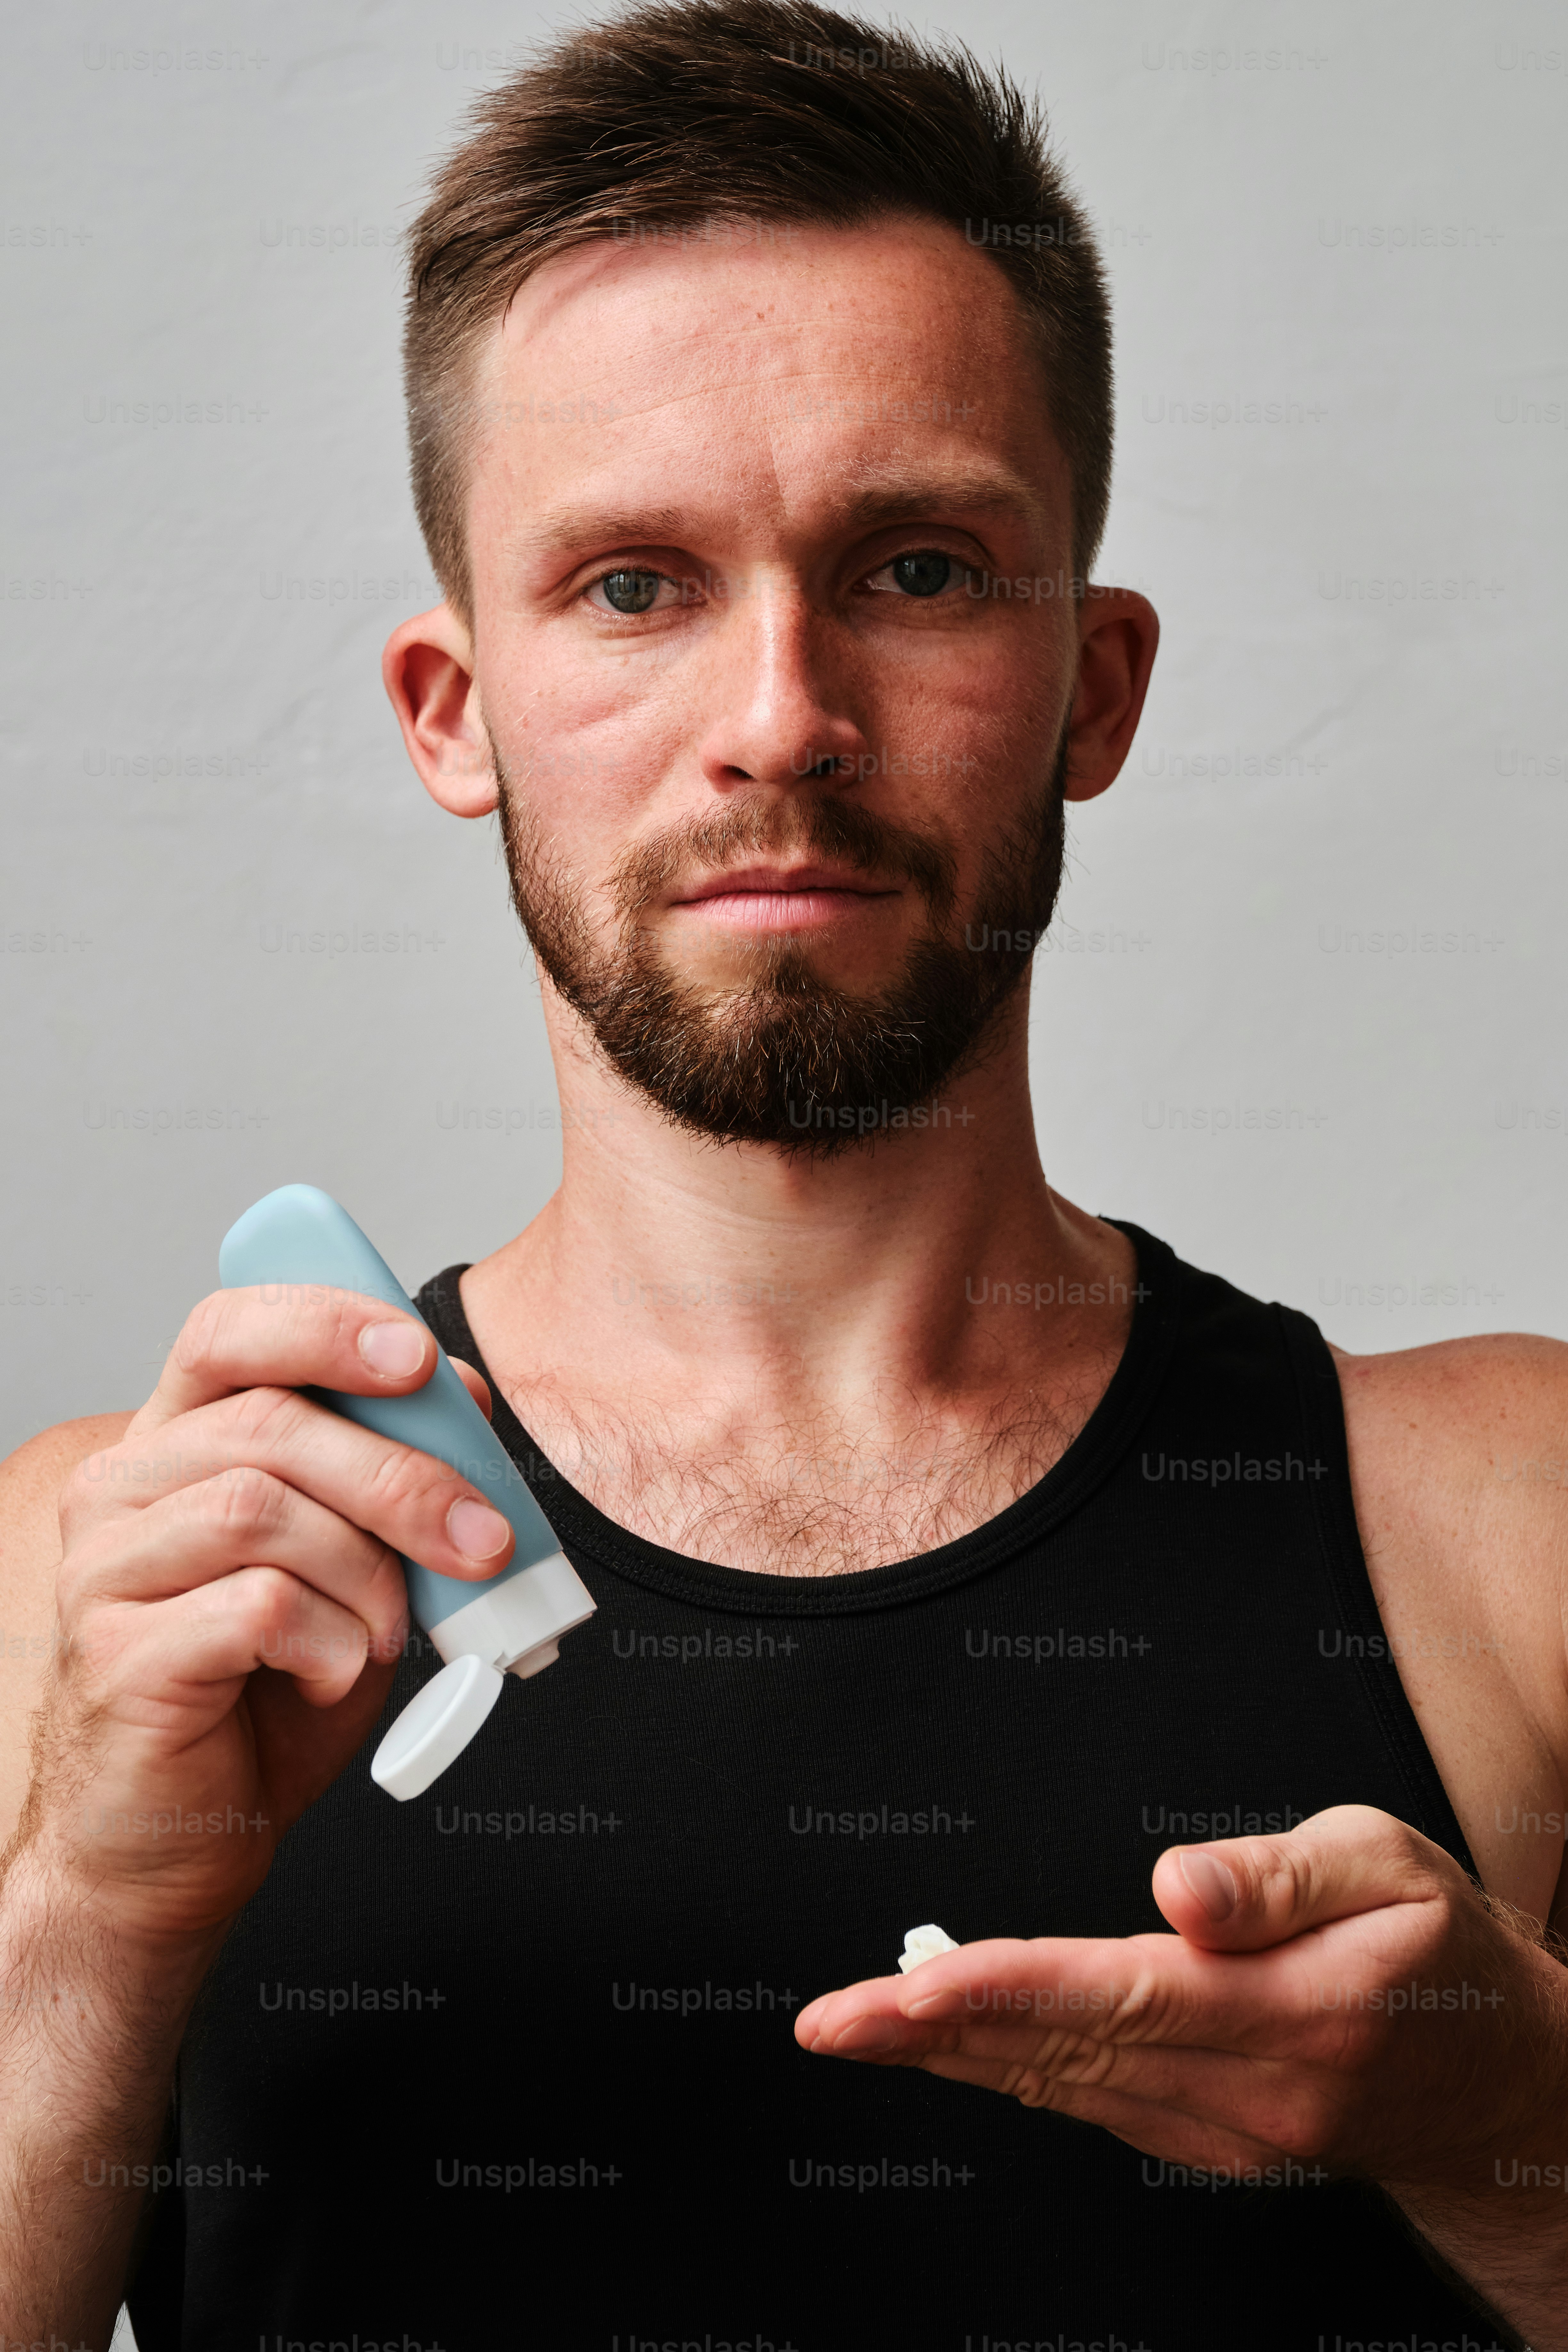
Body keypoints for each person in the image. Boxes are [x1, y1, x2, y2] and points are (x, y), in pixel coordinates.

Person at [2, 3, 1564, 2345]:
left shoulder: (1510, 1525)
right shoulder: (99, 1582)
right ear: (460, 714)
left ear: (1096, 684)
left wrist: (1518, 2135)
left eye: (920, 568)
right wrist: (90, 1925)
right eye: (633, 583)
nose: (777, 719)